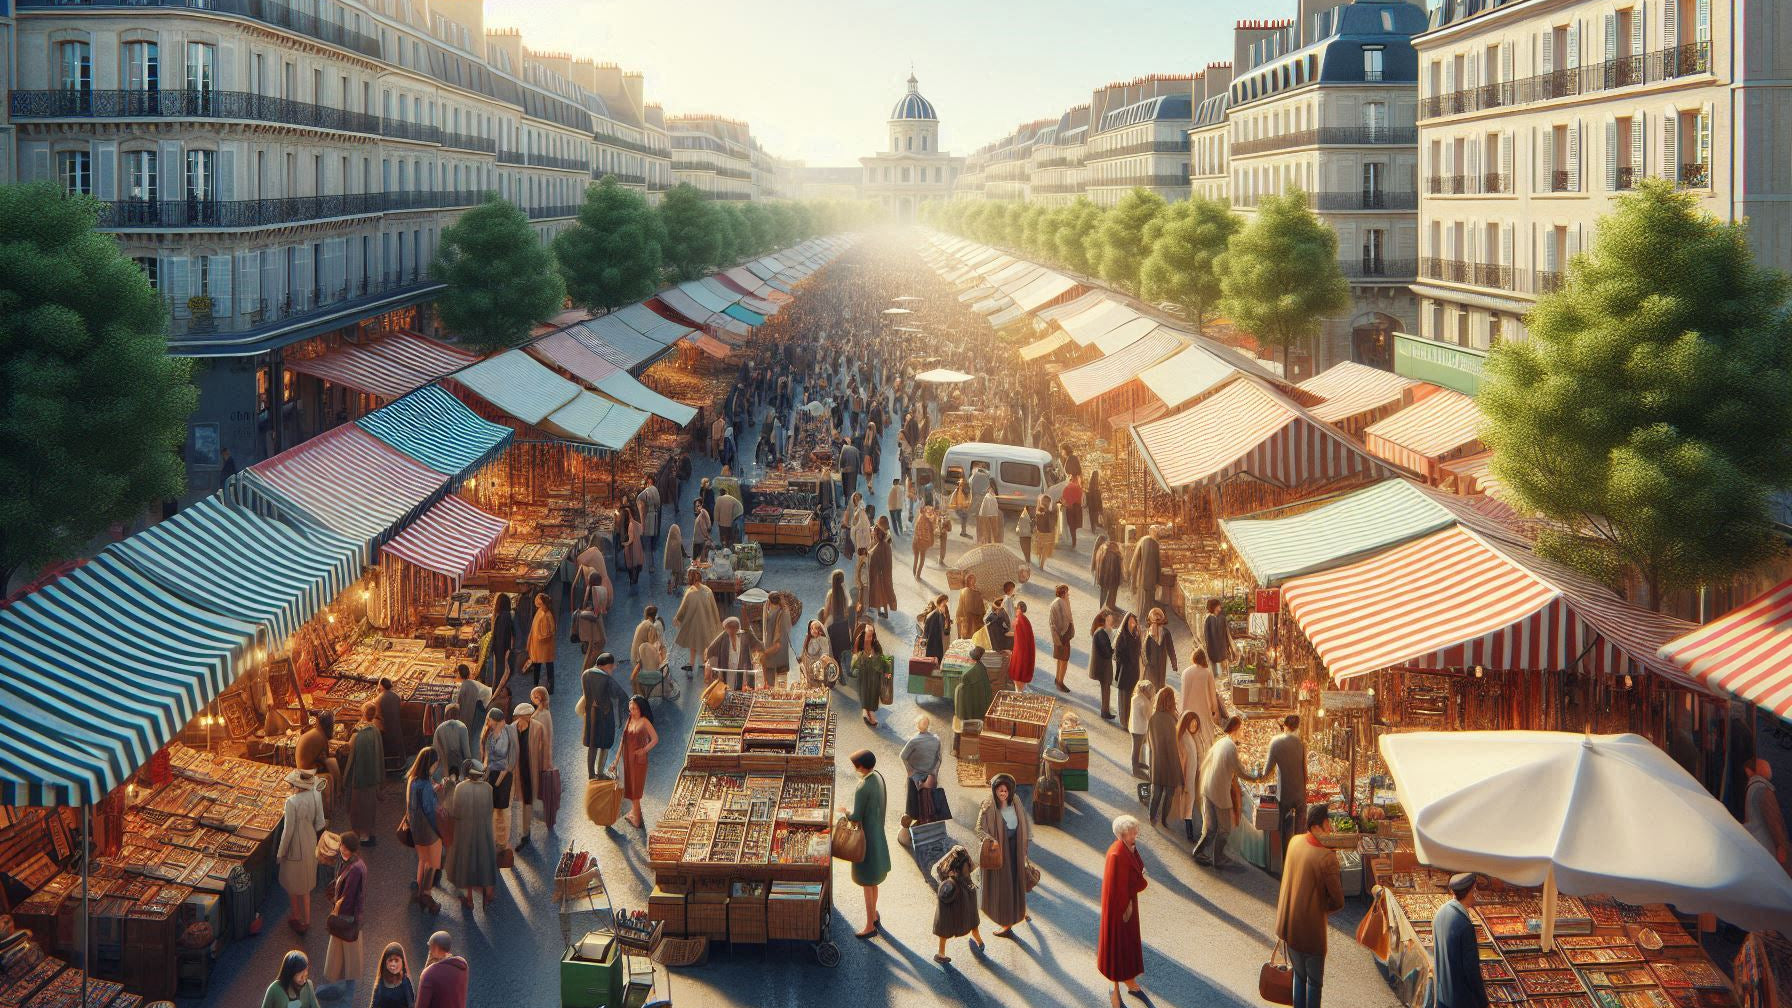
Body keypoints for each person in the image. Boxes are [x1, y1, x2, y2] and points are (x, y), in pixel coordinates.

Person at [1276, 804, 1345, 1008]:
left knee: (1299, 976)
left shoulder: (1295, 842)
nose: (1330, 829)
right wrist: (1319, 907)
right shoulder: (1326, 858)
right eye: (1327, 825)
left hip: (1289, 925)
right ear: (1316, 827)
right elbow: (1338, 901)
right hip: (1311, 932)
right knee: (1314, 983)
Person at [1097, 815, 1147, 1007]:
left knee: (1127, 946)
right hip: (1120, 911)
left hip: (1126, 906)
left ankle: (1127, 979)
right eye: (1133, 831)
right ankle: (1114, 988)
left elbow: (1135, 865)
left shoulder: (1127, 846)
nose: (1136, 834)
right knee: (1117, 947)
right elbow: (1121, 887)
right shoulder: (1117, 854)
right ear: (1123, 834)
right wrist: (1141, 881)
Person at [975, 773, 1033, 938]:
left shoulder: (1016, 802)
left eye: (1006, 791)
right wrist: (991, 840)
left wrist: (1024, 847)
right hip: (1001, 855)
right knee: (1005, 889)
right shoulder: (988, 805)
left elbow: (1024, 823)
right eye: (1000, 790)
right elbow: (979, 828)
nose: (1003, 793)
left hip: (1015, 850)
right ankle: (1007, 923)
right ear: (995, 790)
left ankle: (1017, 914)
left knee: (1017, 884)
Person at [1247, 715, 1310, 861]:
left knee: (1284, 831)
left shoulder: (1275, 742)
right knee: (1300, 832)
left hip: (1285, 795)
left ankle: (1285, 861)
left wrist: (1256, 775)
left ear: (1284, 726)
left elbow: (1267, 772)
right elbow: (1305, 774)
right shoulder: (1301, 743)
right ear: (1298, 726)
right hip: (1300, 794)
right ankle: (1298, 861)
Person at [841, 749, 889, 938]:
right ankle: (874, 915)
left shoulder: (863, 787)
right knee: (874, 882)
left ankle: (870, 925)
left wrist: (845, 811)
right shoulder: (878, 777)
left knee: (867, 885)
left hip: (866, 840)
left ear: (861, 767)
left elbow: (855, 817)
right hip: (877, 836)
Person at [316, 834, 366, 1001]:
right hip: (346, 916)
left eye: (341, 844)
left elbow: (349, 896)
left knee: (347, 957)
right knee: (340, 956)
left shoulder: (356, 868)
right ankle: (339, 988)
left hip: (347, 917)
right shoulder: (348, 861)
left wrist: (336, 912)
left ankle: (347, 996)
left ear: (346, 847)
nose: (339, 846)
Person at [278, 768, 327, 934]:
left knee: (292, 882)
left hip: (295, 845)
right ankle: (307, 920)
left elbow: (288, 831)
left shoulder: (291, 802)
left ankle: (296, 915)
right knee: (306, 884)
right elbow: (320, 822)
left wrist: (281, 853)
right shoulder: (316, 794)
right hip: (311, 839)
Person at [1195, 715, 1246, 868]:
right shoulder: (1230, 747)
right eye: (1241, 729)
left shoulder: (1221, 742)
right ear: (1236, 729)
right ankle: (1218, 858)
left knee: (1211, 828)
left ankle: (1199, 851)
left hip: (1208, 788)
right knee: (1224, 830)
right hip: (1219, 793)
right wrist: (1257, 778)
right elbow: (1240, 771)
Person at [1433, 874, 1489, 1008]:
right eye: (1474, 890)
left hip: (1443, 993)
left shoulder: (1441, 912)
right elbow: (1471, 969)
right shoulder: (1465, 926)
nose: (1475, 895)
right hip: (1460, 999)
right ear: (1471, 891)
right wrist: (1483, 1001)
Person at [447, 762, 497, 909]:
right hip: (484, 831)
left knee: (467, 863)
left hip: (465, 832)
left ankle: (469, 899)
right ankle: (488, 895)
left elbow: (456, 813)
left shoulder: (460, 788)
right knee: (485, 862)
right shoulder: (488, 789)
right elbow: (490, 810)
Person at [931, 844, 985, 965]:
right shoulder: (968, 868)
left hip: (954, 899)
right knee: (972, 922)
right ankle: (979, 941)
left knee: (945, 927)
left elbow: (940, 871)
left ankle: (941, 953)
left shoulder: (950, 869)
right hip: (967, 897)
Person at [580, 652, 630, 780]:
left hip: (590, 715)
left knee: (592, 745)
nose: (613, 669)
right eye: (612, 667)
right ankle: (600, 773)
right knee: (605, 745)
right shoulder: (607, 679)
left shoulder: (586, 674)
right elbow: (619, 695)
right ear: (606, 666)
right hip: (604, 716)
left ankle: (591, 774)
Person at [406, 751, 443, 914]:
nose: (436, 768)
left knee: (422, 859)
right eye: (435, 764)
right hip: (428, 830)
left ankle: (418, 891)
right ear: (430, 764)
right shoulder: (425, 784)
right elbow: (429, 810)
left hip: (415, 828)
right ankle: (426, 896)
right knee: (433, 864)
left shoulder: (412, 780)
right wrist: (439, 829)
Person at [512, 702, 554, 847]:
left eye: (528, 715)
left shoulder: (538, 728)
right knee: (522, 800)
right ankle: (525, 830)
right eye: (525, 715)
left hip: (532, 769)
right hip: (517, 771)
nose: (528, 717)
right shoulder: (512, 729)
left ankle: (526, 833)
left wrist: (546, 767)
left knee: (528, 800)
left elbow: (545, 749)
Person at [343, 702, 383, 847]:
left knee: (358, 808)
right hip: (372, 777)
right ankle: (369, 833)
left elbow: (348, 750)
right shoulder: (376, 731)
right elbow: (379, 754)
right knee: (369, 807)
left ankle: (360, 837)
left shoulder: (357, 733)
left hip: (358, 777)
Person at [1146, 687, 1184, 828]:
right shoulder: (1171, 720)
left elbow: (1150, 743)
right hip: (1171, 763)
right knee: (1169, 794)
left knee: (1156, 793)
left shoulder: (1153, 718)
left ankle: (1151, 817)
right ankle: (1164, 820)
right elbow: (1174, 746)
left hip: (1157, 761)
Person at [481, 708, 517, 858]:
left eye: (495, 723)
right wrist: (484, 776)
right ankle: (493, 841)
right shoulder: (487, 734)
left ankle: (502, 842)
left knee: (503, 810)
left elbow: (511, 759)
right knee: (491, 810)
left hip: (504, 775)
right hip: (491, 774)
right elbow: (485, 758)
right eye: (492, 723)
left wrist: (499, 780)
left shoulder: (508, 732)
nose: (493, 726)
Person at [673, 569, 723, 676]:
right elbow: (714, 607)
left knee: (693, 644)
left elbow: (683, 608)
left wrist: (678, 618)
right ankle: (704, 663)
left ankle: (691, 665)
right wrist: (716, 620)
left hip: (694, 623)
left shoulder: (690, 592)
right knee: (705, 642)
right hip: (706, 622)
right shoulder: (707, 591)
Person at [619, 696, 659, 828]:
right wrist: (616, 759)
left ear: (641, 708)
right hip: (628, 757)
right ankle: (635, 812)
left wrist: (644, 750)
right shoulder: (630, 719)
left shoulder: (645, 721)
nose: (632, 710)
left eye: (635, 708)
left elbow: (655, 739)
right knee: (631, 786)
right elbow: (623, 739)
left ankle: (636, 819)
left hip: (638, 760)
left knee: (635, 788)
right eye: (630, 707)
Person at [1172, 710, 1212, 843]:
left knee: (1191, 802)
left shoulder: (1190, 735)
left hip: (1193, 773)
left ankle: (1192, 830)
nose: (1194, 727)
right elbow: (1181, 759)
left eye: (1196, 725)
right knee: (1189, 803)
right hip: (1187, 775)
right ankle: (1189, 833)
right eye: (1192, 725)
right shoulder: (1184, 737)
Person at [1744, 758, 1790, 869]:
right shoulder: (1761, 787)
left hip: (1757, 847)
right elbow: (1775, 823)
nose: (1769, 770)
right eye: (1765, 766)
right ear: (1750, 770)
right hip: (1768, 847)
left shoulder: (1752, 788)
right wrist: (1783, 847)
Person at [900, 713, 944, 825]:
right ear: (928, 725)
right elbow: (939, 758)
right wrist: (934, 772)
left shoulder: (914, 741)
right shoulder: (936, 740)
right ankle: (924, 817)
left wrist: (910, 770)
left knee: (912, 793)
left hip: (916, 775)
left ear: (917, 726)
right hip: (930, 774)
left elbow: (903, 756)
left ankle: (910, 815)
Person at [296, 710, 341, 811]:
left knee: (331, 763)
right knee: (331, 769)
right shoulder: (321, 737)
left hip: (306, 768)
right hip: (306, 773)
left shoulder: (316, 733)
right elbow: (326, 757)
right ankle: (329, 805)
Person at [705, 616, 761, 690]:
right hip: (726, 670)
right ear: (726, 628)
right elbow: (710, 649)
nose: (732, 630)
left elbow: (756, 646)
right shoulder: (723, 637)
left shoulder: (742, 637)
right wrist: (709, 664)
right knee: (726, 689)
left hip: (740, 671)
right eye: (730, 627)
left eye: (734, 627)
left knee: (739, 689)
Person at [415, 931, 468, 1008]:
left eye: (430, 946)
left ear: (436, 948)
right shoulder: (462, 965)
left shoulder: (429, 974)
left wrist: (427, 967)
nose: (429, 950)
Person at [1181, 647, 1225, 729]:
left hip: (1189, 712)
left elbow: (1183, 695)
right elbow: (1213, 695)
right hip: (1205, 711)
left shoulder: (1185, 673)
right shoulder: (1207, 673)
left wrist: (1183, 713)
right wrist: (1216, 713)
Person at [853, 623, 886, 728]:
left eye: (871, 635)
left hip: (873, 672)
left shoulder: (876, 644)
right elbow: (855, 654)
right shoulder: (859, 640)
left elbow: (881, 657)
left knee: (873, 691)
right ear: (865, 633)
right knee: (864, 691)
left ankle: (871, 712)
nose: (869, 637)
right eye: (868, 635)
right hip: (863, 671)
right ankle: (864, 711)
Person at [524, 591, 557, 695]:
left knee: (548, 665)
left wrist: (542, 636)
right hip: (538, 645)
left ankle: (550, 687)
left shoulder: (548, 615)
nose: (538, 605)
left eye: (540, 604)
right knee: (538, 665)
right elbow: (533, 628)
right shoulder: (539, 612)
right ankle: (535, 685)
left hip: (545, 645)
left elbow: (552, 630)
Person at [1115, 611, 1142, 732]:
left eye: (1133, 621)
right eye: (1130, 621)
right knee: (1124, 698)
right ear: (1126, 622)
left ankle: (1129, 721)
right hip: (1125, 671)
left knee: (1131, 698)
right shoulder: (1122, 637)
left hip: (1134, 672)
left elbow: (1138, 653)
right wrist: (1127, 662)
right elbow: (1118, 655)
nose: (1132, 623)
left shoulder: (1136, 637)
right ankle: (1124, 722)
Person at [630, 607, 668, 693]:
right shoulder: (651, 627)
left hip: (634, 654)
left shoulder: (641, 624)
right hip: (639, 657)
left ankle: (639, 693)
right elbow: (653, 646)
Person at [823, 568, 855, 668]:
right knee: (845, 647)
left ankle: (838, 669)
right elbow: (849, 604)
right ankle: (847, 667)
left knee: (834, 648)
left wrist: (824, 621)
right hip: (844, 624)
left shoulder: (830, 593)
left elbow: (826, 611)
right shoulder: (844, 592)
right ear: (842, 581)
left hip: (833, 625)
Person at [431, 705, 470, 788]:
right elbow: (467, 754)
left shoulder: (439, 728)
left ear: (445, 714)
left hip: (442, 773)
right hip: (459, 772)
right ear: (458, 714)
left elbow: (435, 753)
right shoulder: (462, 727)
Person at [1090, 609, 1118, 720]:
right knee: (1105, 688)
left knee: (1106, 688)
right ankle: (1105, 711)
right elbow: (1107, 652)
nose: (1111, 621)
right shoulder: (1101, 633)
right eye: (1109, 619)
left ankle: (1105, 710)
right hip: (1103, 667)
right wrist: (1114, 647)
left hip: (1103, 666)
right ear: (1105, 620)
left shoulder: (1102, 632)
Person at [1141, 608, 1177, 693]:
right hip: (1150, 665)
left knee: (1160, 684)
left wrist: (1174, 663)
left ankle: (1158, 701)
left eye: (1157, 622)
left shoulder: (1165, 633)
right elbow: (1144, 649)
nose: (1155, 626)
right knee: (1150, 685)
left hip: (1161, 663)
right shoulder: (1147, 633)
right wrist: (1145, 662)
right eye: (1154, 622)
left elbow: (1170, 649)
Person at [369, 942, 415, 1008]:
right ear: (385, 962)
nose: (393, 964)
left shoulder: (405, 981)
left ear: (402, 962)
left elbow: (411, 1005)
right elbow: (374, 1006)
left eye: (396, 960)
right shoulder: (381, 982)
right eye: (390, 960)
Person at [1127, 526, 1162, 615]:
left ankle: (1142, 617)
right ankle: (1148, 618)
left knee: (1143, 601)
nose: (1156, 534)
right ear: (1151, 532)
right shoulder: (1155, 544)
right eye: (1155, 532)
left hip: (1143, 578)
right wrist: (1158, 580)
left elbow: (1135, 561)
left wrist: (1133, 574)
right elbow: (1158, 564)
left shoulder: (1142, 541)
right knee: (1149, 601)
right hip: (1151, 578)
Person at [867, 521, 897, 619]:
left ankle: (882, 612)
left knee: (880, 595)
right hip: (883, 575)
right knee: (882, 595)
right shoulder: (886, 546)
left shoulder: (879, 548)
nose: (874, 537)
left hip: (879, 576)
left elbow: (876, 561)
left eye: (875, 535)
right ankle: (882, 612)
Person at [1048, 584, 1074, 693]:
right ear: (1063, 593)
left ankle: (1058, 679)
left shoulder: (1059, 602)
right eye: (1067, 592)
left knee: (1060, 659)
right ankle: (1060, 682)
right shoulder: (1060, 603)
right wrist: (1065, 635)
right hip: (1062, 637)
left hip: (1059, 636)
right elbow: (1064, 621)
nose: (1068, 594)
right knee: (1064, 660)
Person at [1202, 597, 1235, 682]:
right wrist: (1208, 650)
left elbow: (1227, 634)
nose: (1220, 606)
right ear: (1214, 607)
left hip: (1223, 650)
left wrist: (1229, 647)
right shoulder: (1208, 619)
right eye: (1218, 605)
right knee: (1214, 675)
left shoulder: (1222, 618)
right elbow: (1206, 636)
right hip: (1213, 650)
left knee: (1224, 674)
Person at [797, 619, 836, 689]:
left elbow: (825, 653)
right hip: (807, 665)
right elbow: (804, 652)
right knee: (807, 685)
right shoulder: (808, 639)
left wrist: (819, 662)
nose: (813, 630)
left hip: (818, 666)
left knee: (817, 687)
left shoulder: (823, 640)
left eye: (815, 628)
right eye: (811, 628)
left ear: (819, 630)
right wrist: (801, 658)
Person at [1129, 682, 1154, 779]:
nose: (1151, 694)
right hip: (1140, 729)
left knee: (1135, 748)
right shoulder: (1144, 702)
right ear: (1145, 691)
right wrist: (1151, 702)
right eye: (1150, 692)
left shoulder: (1135, 698)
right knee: (1136, 749)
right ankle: (1135, 770)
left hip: (1133, 726)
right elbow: (1149, 716)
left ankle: (1136, 765)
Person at [375, 677, 404, 764]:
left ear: (381, 686)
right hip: (396, 727)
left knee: (387, 752)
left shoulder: (378, 699)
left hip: (385, 729)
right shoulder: (396, 697)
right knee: (396, 750)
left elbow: (377, 715)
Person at [1008, 599, 1037, 687]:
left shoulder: (1019, 619)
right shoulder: (1024, 619)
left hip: (1019, 647)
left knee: (1018, 666)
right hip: (1023, 646)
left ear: (1019, 608)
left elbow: (1017, 632)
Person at [489, 593, 516, 686]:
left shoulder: (503, 617)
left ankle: (498, 693)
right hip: (502, 650)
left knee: (500, 673)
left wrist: (499, 652)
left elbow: (501, 636)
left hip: (502, 651)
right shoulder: (506, 615)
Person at [1095, 535, 1123, 611]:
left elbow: (1098, 566)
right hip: (1113, 578)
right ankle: (1109, 609)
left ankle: (1102, 610)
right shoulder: (1116, 551)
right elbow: (1119, 567)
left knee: (1103, 593)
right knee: (1111, 595)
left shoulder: (1102, 549)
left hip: (1103, 578)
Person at [955, 572, 985, 641]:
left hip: (976, 618)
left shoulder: (977, 592)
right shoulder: (965, 591)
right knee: (968, 634)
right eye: (970, 579)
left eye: (973, 579)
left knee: (975, 636)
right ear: (967, 580)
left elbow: (980, 605)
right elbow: (964, 606)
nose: (972, 581)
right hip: (968, 617)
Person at [922, 593, 950, 664]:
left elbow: (944, 628)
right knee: (931, 663)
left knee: (938, 661)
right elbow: (925, 632)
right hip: (932, 644)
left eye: (946, 604)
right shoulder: (931, 616)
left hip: (938, 642)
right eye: (944, 605)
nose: (945, 607)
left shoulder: (941, 614)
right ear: (938, 604)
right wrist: (924, 642)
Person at [637, 476, 661, 556]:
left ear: (649, 481)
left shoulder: (647, 490)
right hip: (655, 513)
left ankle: (647, 553)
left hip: (649, 514)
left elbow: (639, 498)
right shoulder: (656, 490)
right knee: (653, 533)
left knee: (647, 534)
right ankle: (653, 549)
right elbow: (658, 503)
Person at [661, 520, 686, 597]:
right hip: (677, 561)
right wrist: (685, 555)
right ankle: (675, 586)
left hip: (671, 562)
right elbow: (682, 550)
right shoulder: (678, 541)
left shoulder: (669, 542)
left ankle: (671, 586)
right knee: (677, 572)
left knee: (673, 573)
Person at [912, 501, 936, 578]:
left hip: (915, 541)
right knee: (922, 559)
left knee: (916, 558)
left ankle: (914, 572)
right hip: (922, 543)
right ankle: (918, 575)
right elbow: (931, 532)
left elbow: (916, 530)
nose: (931, 515)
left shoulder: (919, 517)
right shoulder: (928, 522)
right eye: (930, 514)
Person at [1061, 473, 1084, 548]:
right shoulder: (1079, 488)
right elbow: (1082, 500)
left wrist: (1065, 504)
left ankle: (1074, 541)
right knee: (1076, 526)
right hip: (1077, 508)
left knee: (1071, 526)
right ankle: (1075, 540)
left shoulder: (1066, 487)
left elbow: (1063, 499)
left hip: (1070, 508)